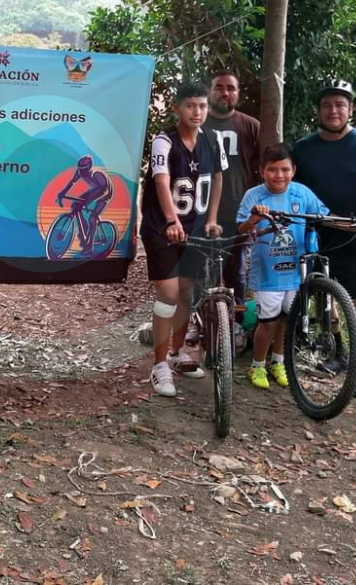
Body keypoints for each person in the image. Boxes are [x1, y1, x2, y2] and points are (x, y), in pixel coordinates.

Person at [293, 79, 356, 399]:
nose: (333, 111)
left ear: (350, 109)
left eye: (340, 105)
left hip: (353, 235)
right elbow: (290, 188)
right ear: (318, 111)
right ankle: (335, 351)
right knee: (320, 298)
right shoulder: (303, 148)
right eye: (326, 105)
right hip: (313, 235)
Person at [138, 81, 224, 397]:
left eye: (202, 106)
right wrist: (171, 219)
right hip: (162, 229)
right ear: (177, 108)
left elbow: (217, 179)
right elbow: (162, 182)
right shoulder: (164, 141)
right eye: (190, 106)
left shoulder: (212, 140)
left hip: (194, 229)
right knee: (169, 293)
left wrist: (211, 218)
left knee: (186, 290)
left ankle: (177, 353)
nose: (197, 112)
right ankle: (159, 365)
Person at [237, 143, 329, 390]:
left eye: (285, 169)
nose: (279, 175)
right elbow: (241, 229)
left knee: (288, 319)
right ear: (262, 171)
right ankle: (257, 365)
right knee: (268, 322)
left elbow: (323, 216)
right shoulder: (253, 196)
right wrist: (254, 218)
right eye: (272, 169)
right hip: (267, 274)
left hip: (296, 273)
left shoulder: (302, 193)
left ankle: (278, 362)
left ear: (294, 170)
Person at [204, 69, 260, 344]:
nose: (225, 93)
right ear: (209, 91)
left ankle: (235, 327)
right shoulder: (197, 122)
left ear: (238, 93)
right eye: (219, 87)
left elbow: (264, 170)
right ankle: (203, 324)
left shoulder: (251, 126)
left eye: (231, 88)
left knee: (236, 272)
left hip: (239, 214)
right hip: (202, 214)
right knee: (203, 272)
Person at [55, 155, 114, 255]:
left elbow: (103, 190)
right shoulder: (80, 171)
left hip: (105, 192)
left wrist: (88, 201)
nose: (81, 172)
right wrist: (62, 193)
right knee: (75, 206)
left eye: (84, 170)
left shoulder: (96, 174)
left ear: (89, 167)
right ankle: (85, 230)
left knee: (92, 217)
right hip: (96, 190)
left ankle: (90, 245)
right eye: (80, 169)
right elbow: (72, 182)